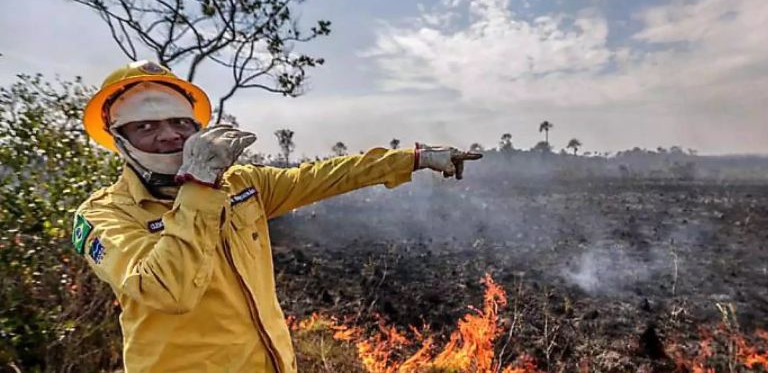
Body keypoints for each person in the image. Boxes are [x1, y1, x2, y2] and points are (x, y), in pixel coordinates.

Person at [73, 60, 481, 373]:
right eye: (146, 126)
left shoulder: (243, 184)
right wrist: (199, 187)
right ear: (119, 139)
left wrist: (413, 158)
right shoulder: (103, 216)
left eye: (180, 122)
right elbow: (167, 290)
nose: (169, 135)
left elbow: (323, 175)